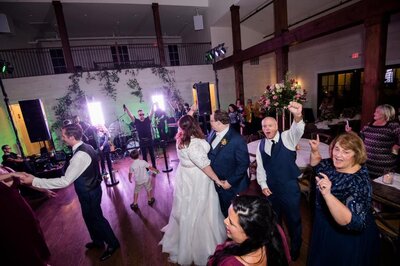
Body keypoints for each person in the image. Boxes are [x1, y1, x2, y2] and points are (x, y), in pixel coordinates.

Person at [19, 123, 120, 261]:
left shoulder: (80, 155)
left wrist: (35, 181)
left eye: (64, 136)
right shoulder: (87, 146)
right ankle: (97, 241)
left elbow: (65, 181)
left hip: (89, 192)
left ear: (72, 137)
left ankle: (113, 244)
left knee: (97, 218)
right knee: (88, 216)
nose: (62, 138)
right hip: (90, 190)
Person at [160, 114, 226, 266]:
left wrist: (191, 110)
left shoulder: (180, 138)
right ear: (194, 125)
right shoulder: (194, 144)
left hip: (184, 174)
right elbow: (204, 166)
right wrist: (217, 180)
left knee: (187, 206)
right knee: (200, 208)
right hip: (198, 177)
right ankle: (201, 245)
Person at [307, 132, 380, 266]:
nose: (338, 155)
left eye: (346, 152)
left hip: (344, 237)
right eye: (336, 149)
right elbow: (317, 165)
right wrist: (315, 150)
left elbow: (352, 222)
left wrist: (328, 195)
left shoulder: (359, 182)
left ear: (356, 154)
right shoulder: (331, 164)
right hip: (324, 226)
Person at [256, 101, 304, 261]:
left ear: (276, 126)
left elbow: (297, 130)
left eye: (270, 125)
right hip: (271, 190)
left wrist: (297, 116)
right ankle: (279, 247)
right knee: (274, 222)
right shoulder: (261, 144)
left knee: (293, 221)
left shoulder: (287, 138)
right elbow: (260, 167)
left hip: (289, 188)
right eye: (264, 126)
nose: (267, 128)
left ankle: (296, 247)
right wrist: (263, 185)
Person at [208, 195, 290, 266]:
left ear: (249, 233)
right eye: (228, 216)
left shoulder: (230, 263)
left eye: (231, 223)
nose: (225, 221)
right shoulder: (274, 228)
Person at [0, 168, 56, 266]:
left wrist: (44, 190)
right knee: (18, 240)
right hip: (5, 214)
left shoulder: (6, 169)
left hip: (20, 206)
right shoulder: (10, 173)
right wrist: (12, 174)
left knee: (34, 231)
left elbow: (25, 182)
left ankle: (41, 261)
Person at [208, 109, 250, 217]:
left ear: (219, 123)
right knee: (221, 210)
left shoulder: (237, 139)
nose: (210, 123)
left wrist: (230, 182)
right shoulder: (213, 132)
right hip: (216, 181)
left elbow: (243, 164)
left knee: (231, 214)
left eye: (211, 121)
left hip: (229, 185)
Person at [346, 104, 400, 179]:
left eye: (377, 112)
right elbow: (360, 137)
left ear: (385, 113)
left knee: (381, 188)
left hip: (384, 166)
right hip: (367, 163)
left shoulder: (393, 126)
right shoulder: (369, 125)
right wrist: (350, 132)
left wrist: (397, 145)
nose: (374, 113)